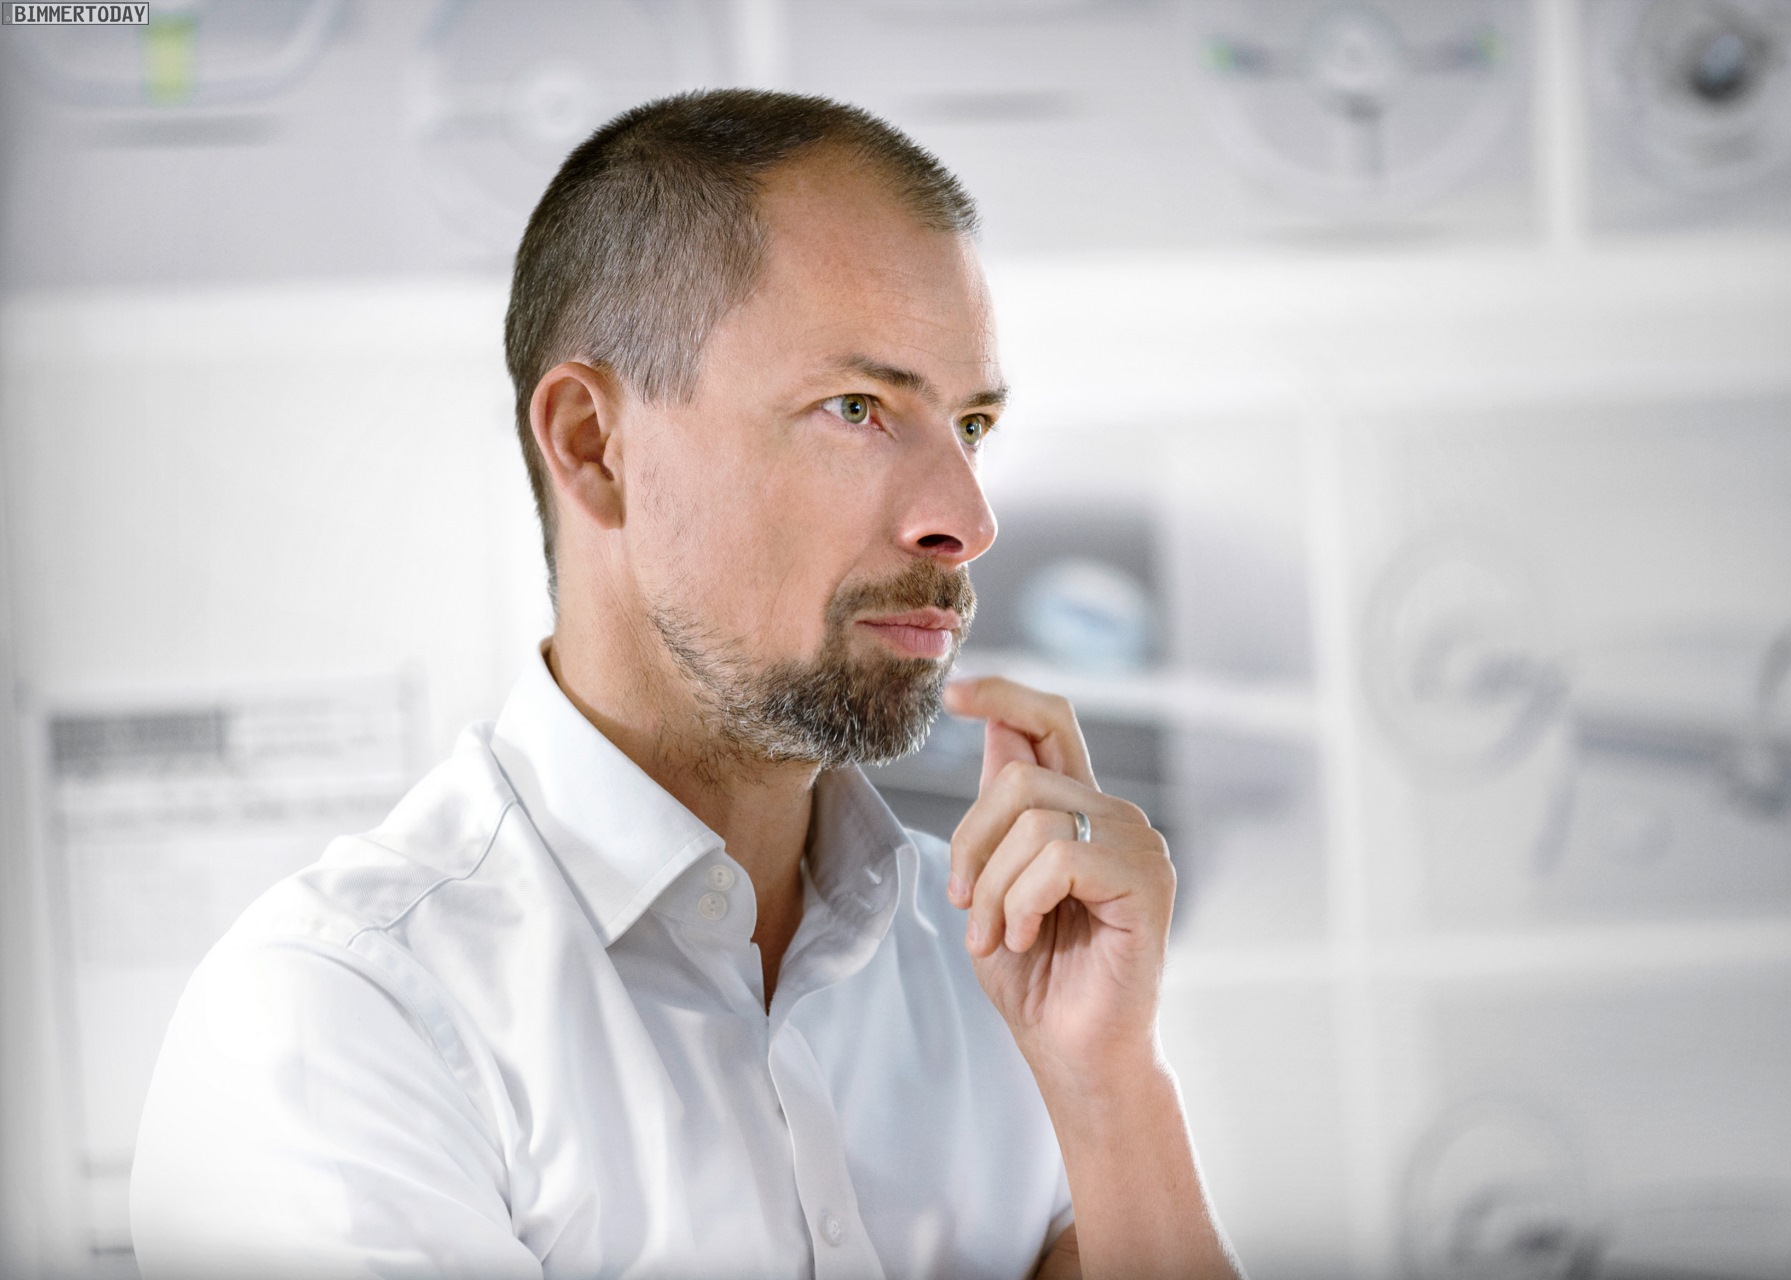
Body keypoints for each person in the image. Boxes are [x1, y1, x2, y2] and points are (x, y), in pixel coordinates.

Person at [129, 89, 1241, 1280]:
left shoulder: (1001, 967)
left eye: (970, 425)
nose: (966, 521)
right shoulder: (339, 1021)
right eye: (858, 409)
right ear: (595, 446)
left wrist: (1110, 1089)